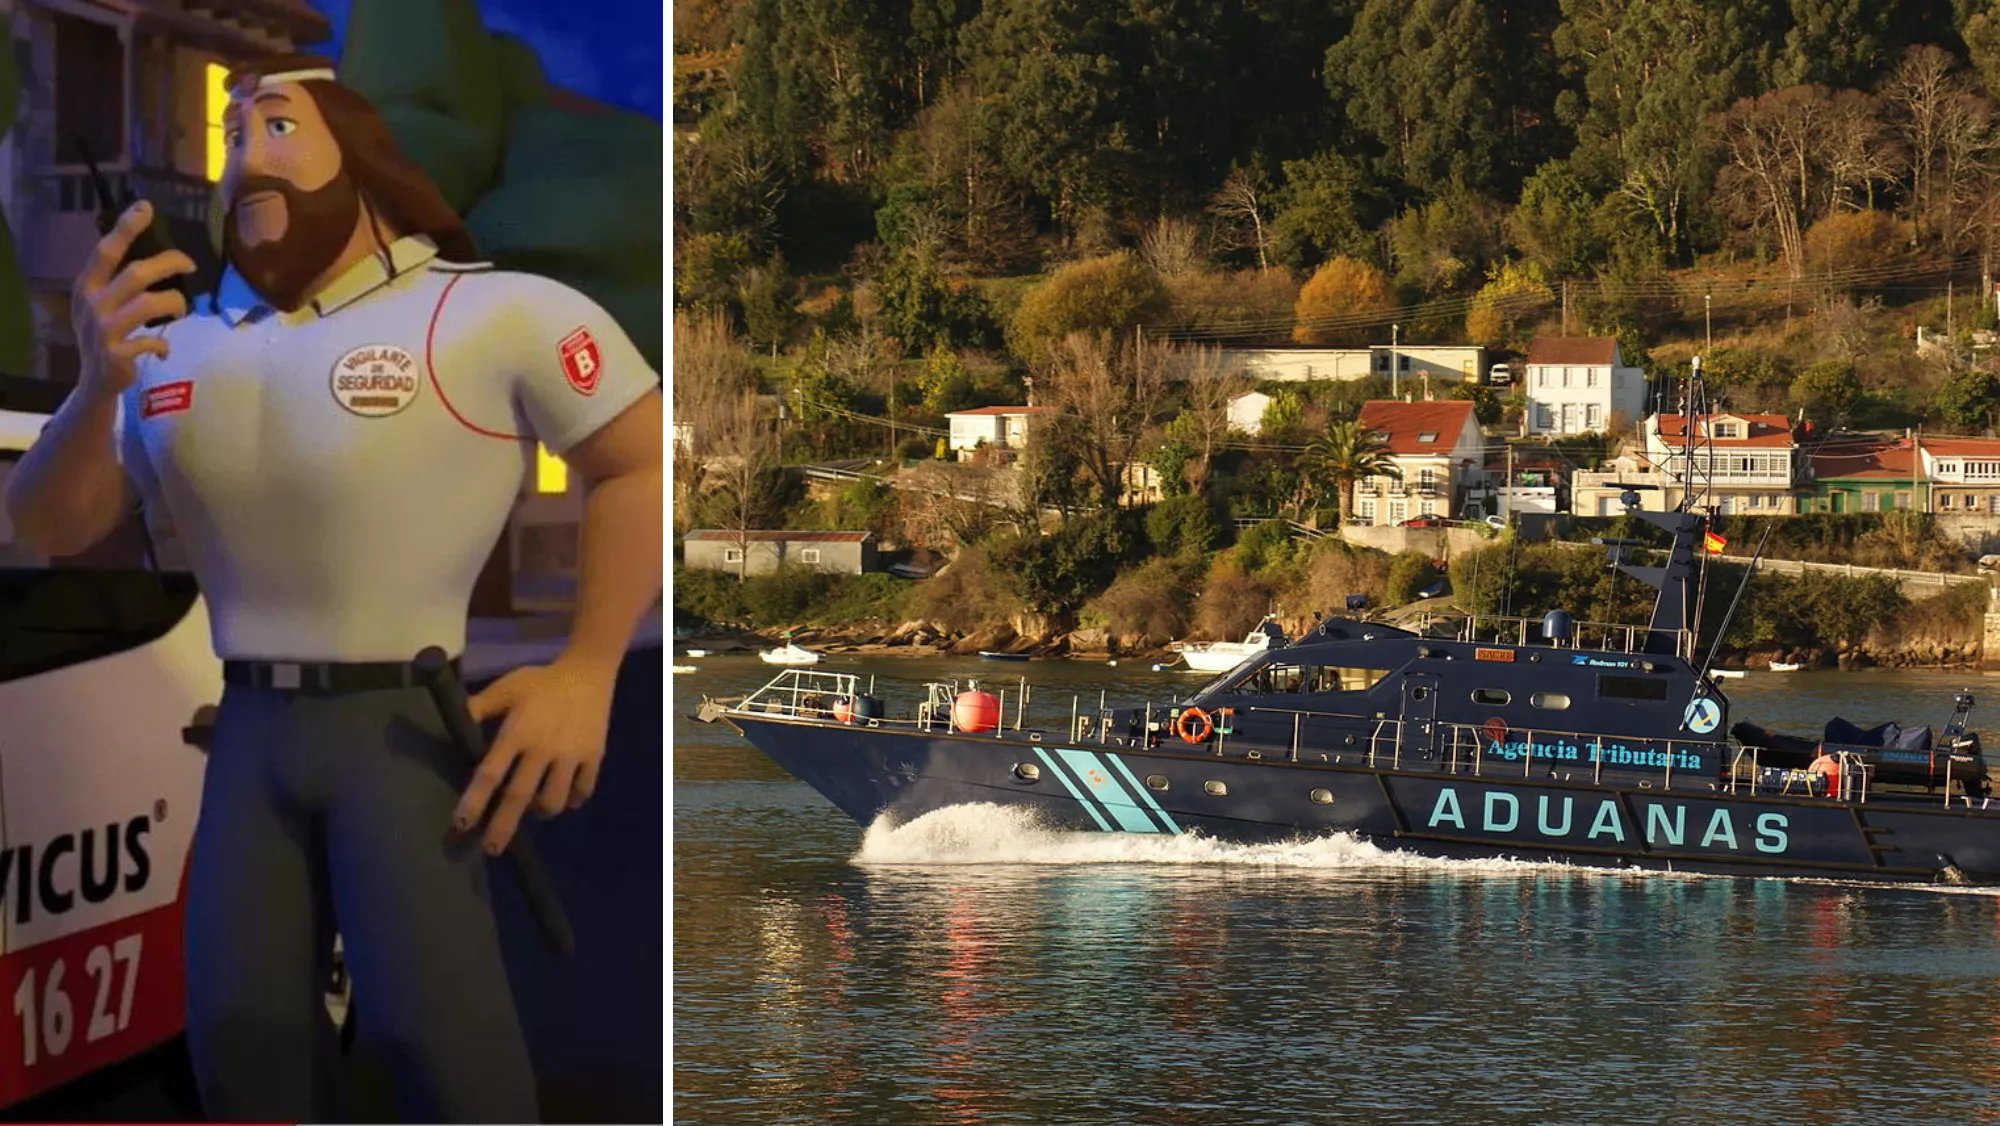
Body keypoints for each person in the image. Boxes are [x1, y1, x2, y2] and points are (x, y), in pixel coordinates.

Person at [2, 55, 663, 1123]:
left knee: (434, 1035)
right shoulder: (179, 351)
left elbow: (634, 461)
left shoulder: (494, 313)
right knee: (238, 1036)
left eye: (273, 124)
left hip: (401, 729)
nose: (241, 161)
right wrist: (93, 382)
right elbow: (54, 521)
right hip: (249, 733)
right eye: (226, 138)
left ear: (357, 151)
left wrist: (587, 670)